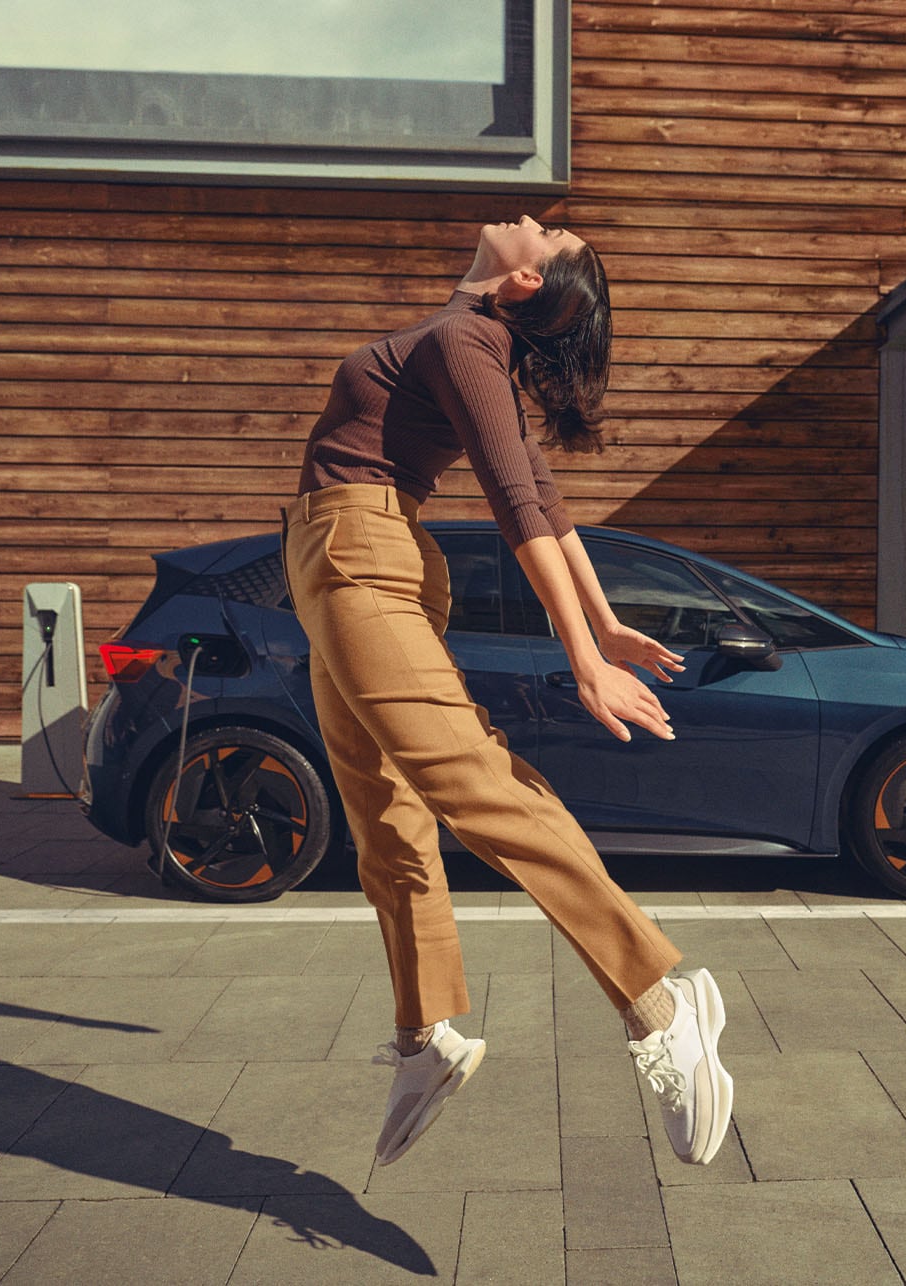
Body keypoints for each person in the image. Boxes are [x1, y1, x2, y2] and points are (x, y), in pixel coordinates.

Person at [281, 214, 733, 1167]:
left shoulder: (463, 336)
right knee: (382, 813)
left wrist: (584, 654)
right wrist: (605, 622)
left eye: (555, 236)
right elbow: (544, 497)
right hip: (344, 561)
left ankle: (660, 1006)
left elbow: (518, 504)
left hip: (358, 557)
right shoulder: (465, 342)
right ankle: (424, 1040)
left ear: (525, 283)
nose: (543, 218)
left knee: (469, 783)